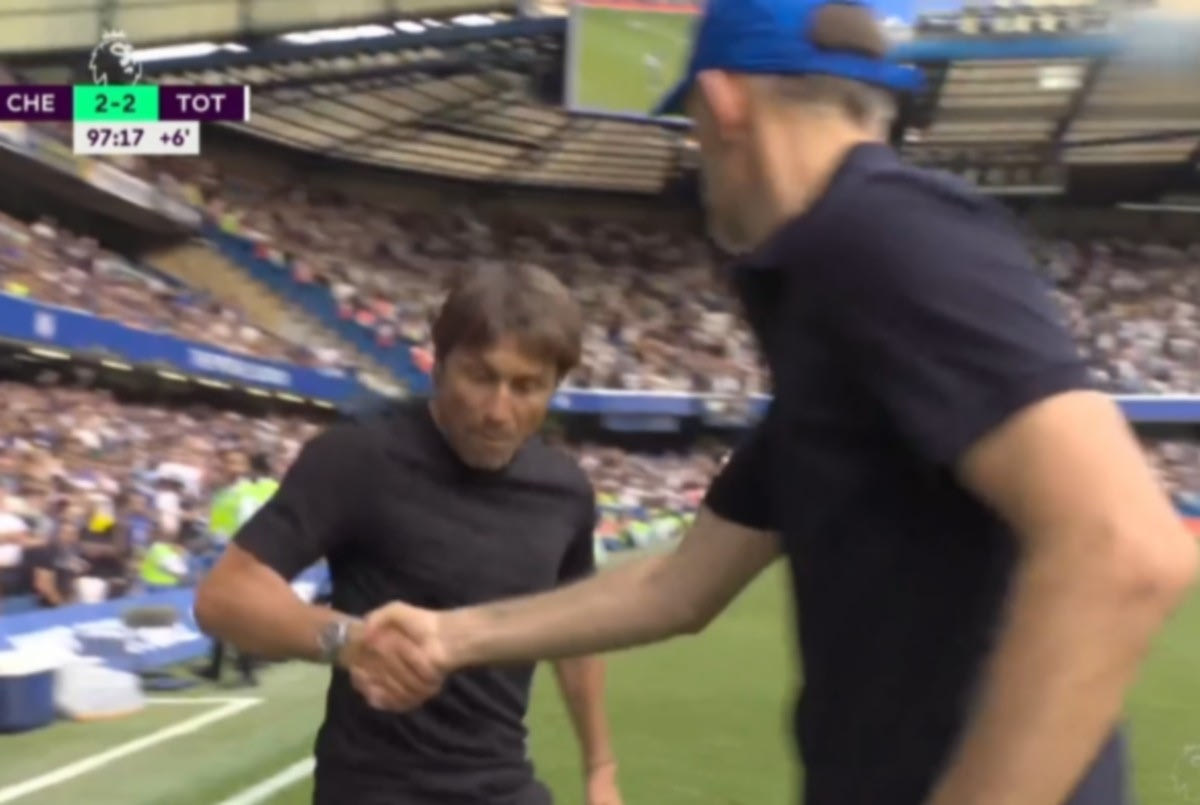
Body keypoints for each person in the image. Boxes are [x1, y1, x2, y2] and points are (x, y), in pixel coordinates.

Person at [352, 2, 1198, 804]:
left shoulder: (882, 230)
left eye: (693, 128)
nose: (699, 166)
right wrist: (452, 636)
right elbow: (677, 586)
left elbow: (1122, 545)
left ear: (724, 105)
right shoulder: (830, 302)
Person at [194, 263, 623, 805]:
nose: (498, 411)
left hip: (504, 783)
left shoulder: (565, 491)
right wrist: (350, 642)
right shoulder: (359, 457)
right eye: (480, 377)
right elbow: (224, 597)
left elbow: (575, 633)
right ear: (438, 365)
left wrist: (600, 768)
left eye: (526, 387)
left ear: (554, 387)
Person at [199, 450, 280, 686]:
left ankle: (246, 669)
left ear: (246, 467)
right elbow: (216, 529)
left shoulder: (248, 492)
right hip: (221, 556)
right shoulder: (222, 495)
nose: (230, 467)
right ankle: (216, 666)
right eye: (227, 462)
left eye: (237, 462)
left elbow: (250, 526)